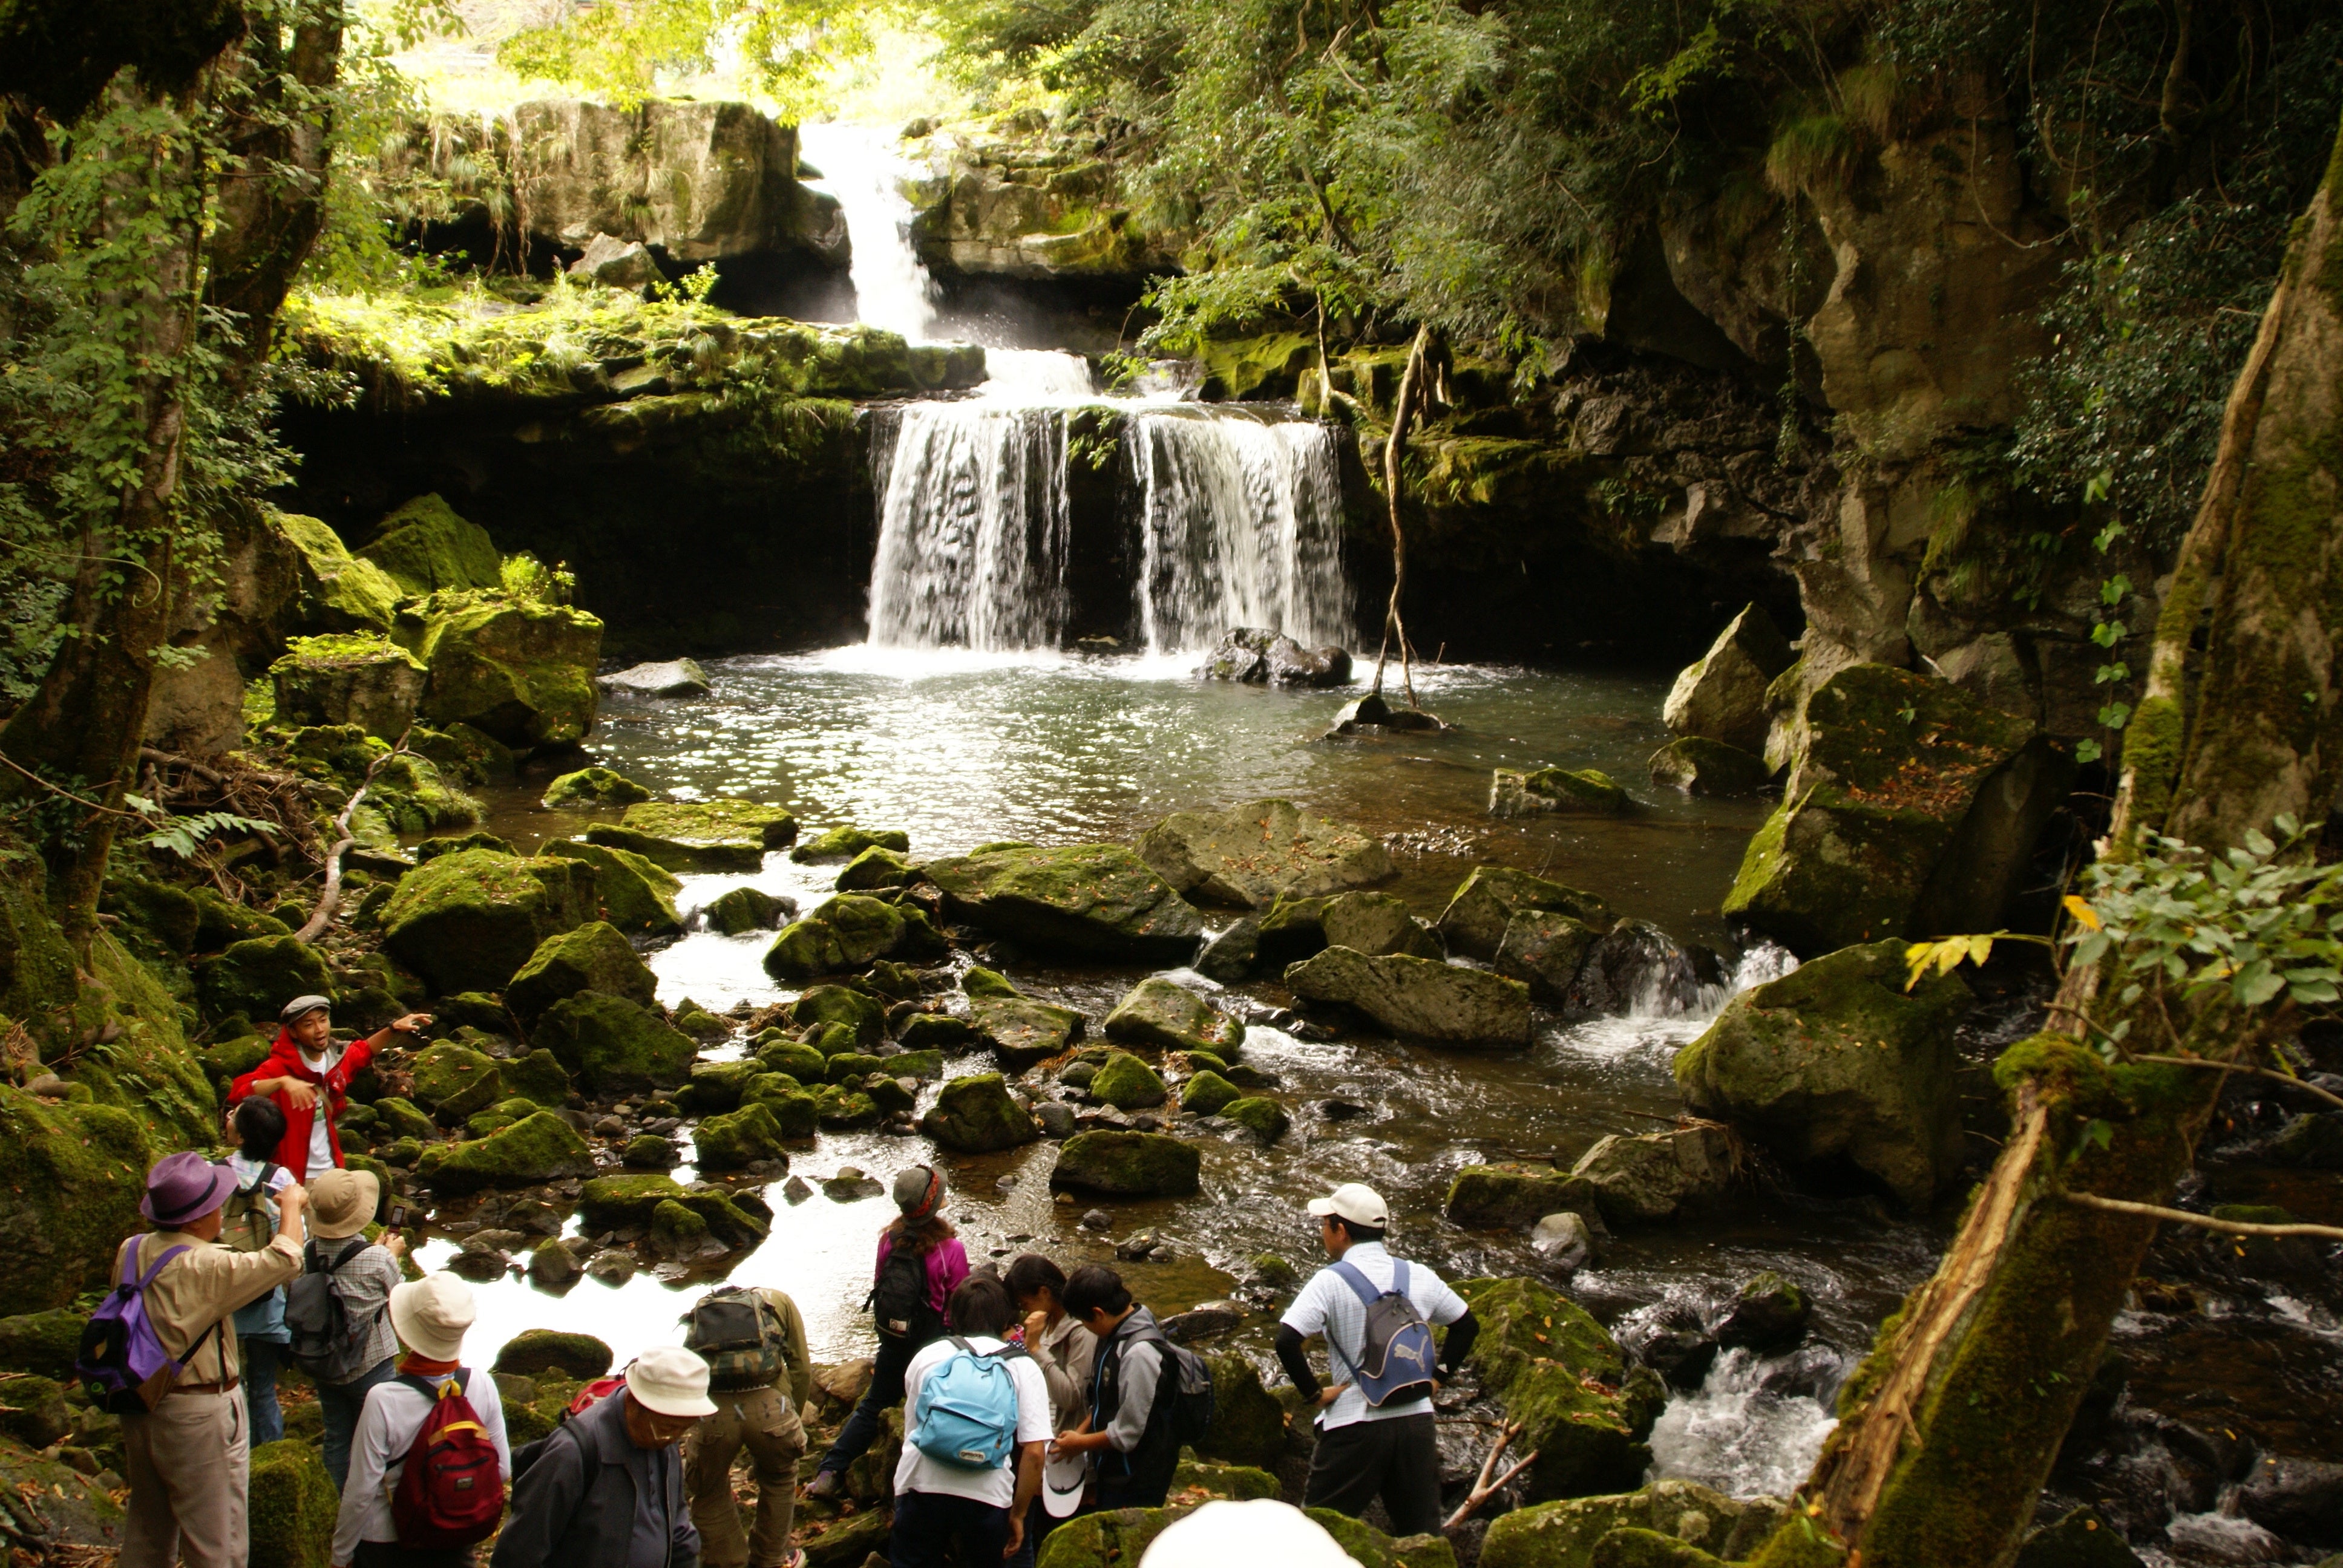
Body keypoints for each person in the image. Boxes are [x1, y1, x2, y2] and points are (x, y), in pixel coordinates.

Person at [117, 1150, 309, 1568]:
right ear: (195, 1218)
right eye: (215, 1204)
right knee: (218, 1541)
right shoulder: (205, 1264)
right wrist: (292, 1205)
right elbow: (287, 1259)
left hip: (141, 1400)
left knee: (148, 1532)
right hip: (198, 1412)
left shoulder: (131, 1250)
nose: (222, 1210)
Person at [1274, 1183, 1478, 1538]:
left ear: (1341, 1230)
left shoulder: (1329, 1281)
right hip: (1416, 1423)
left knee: (1317, 1537)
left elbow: (1287, 1341)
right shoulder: (1418, 1274)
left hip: (1356, 1424)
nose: (1323, 1232)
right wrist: (1439, 1377)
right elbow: (1466, 1325)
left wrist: (1313, 1395)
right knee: (1422, 1538)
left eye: (1325, 1224)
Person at [803, 1165, 969, 1501]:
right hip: (933, 1344)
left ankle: (830, 1471)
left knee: (874, 1403)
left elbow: (880, 1286)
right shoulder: (950, 1249)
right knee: (938, 1405)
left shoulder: (888, 1240)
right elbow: (960, 1302)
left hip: (893, 1338)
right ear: (935, 1205)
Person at [332, 1272, 513, 1568]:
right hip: (453, 1538)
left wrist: (340, 1556)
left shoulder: (383, 1399)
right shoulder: (483, 1385)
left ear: (408, 1331)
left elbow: (360, 1491)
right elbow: (502, 1469)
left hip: (387, 1542)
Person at [491, 1345, 715, 1568]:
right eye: (667, 1429)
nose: (672, 1439)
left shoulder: (664, 1439)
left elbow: (677, 1525)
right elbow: (519, 1552)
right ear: (633, 1402)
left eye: (683, 1429)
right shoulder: (573, 1452)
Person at [891, 1276, 1049, 1568]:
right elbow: (1035, 1453)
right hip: (987, 1496)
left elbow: (913, 1430)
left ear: (953, 1316)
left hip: (921, 1486)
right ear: (1006, 1318)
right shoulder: (1023, 1366)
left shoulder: (928, 1356)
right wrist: (1018, 1514)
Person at [229, 994, 433, 1181]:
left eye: (323, 1020)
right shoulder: (278, 1067)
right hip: (290, 1176)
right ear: (293, 1031)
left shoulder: (334, 1060)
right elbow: (241, 1091)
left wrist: (394, 1028)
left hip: (331, 1168)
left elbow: (362, 1052)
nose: (319, 1030)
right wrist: (282, 1083)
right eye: (309, 1024)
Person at [681, 1285, 812, 1568]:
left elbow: (689, 1366)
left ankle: (729, 1562)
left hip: (713, 1412)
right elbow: (801, 1369)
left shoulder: (706, 1310)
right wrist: (793, 1417)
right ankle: (771, 1561)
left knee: (709, 1488)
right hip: (770, 1408)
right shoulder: (781, 1302)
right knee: (779, 1479)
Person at [304, 1167, 410, 1491]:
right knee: (381, 1439)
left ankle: (337, 1506)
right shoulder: (378, 1260)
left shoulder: (309, 1252)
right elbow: (400, 1297)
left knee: (338, 1437)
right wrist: (392, 1255)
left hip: (326, 1360)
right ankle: (376, 1510)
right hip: (371, 1363)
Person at [1049, 1266, 1178, 1511]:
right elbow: (1103, 1399)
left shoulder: (1139, 1354)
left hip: (1137, 1476)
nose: (1084, 1328)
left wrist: (1081, 1444)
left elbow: (1129, 1432)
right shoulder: (1117, 1331)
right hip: (1113, 1467)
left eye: (1083, 1321)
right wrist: (1080, 1432)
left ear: (1098, 1313)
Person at [1003, 1254, 1096, 1567]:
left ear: (1044, 1293)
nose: (1022, 1308)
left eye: (1024, 1300)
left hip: (1068, 1447)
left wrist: (1036, 1349)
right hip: (1041, 1440)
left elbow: (1072, 1396)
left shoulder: (1082, 1331)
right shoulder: (1043, 1323)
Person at [223, 1096, 296, 1445]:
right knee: (264, 1388)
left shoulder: (213, 1174)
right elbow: (297, 1239)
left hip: (222, 1297)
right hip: (266, 1298)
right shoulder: (281, 1180)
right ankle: (270, 1455)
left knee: (228, 1385)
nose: (228, 1117)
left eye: (233, 1117)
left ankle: (232, 1453)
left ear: (240, 1137)